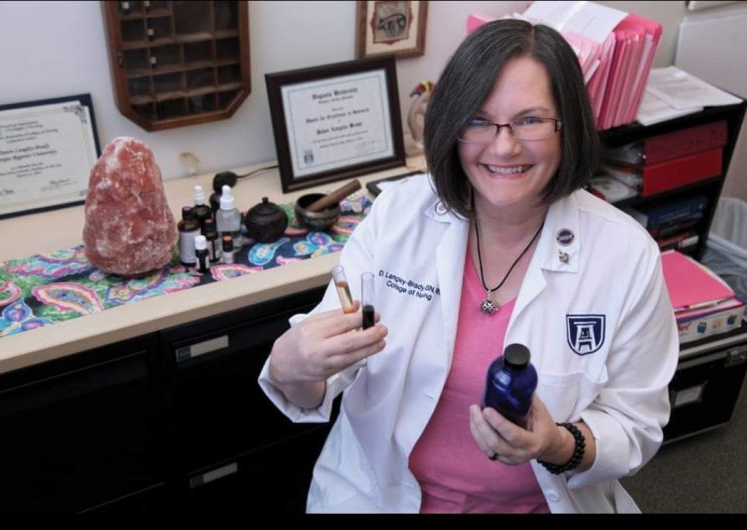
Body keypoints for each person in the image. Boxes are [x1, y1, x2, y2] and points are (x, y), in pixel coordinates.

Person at [258, 18, 678, 513]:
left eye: (530, 120)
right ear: (452, 127)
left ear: (569, 128)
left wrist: (556, 444)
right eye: (478, 120)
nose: (503, 146)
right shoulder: (398, 216)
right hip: (377, 497)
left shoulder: (625, 255)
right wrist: (290, 366)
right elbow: (319, 380)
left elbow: (636, 425)